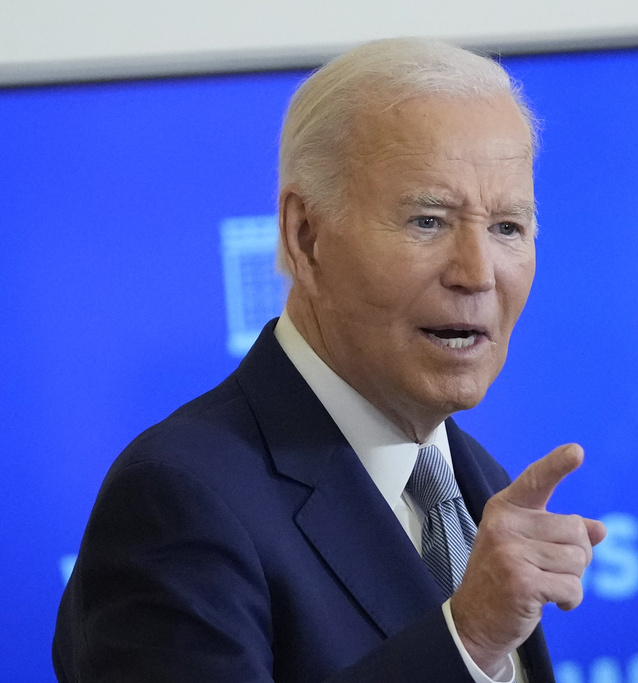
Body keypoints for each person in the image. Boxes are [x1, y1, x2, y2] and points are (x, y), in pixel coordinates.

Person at [53, 37, 606, 682]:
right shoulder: (177, 499)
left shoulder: (475, 480)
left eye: (507, 227)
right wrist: (467, 639)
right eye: (428, 220)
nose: (477, 273)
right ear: (305, 237)